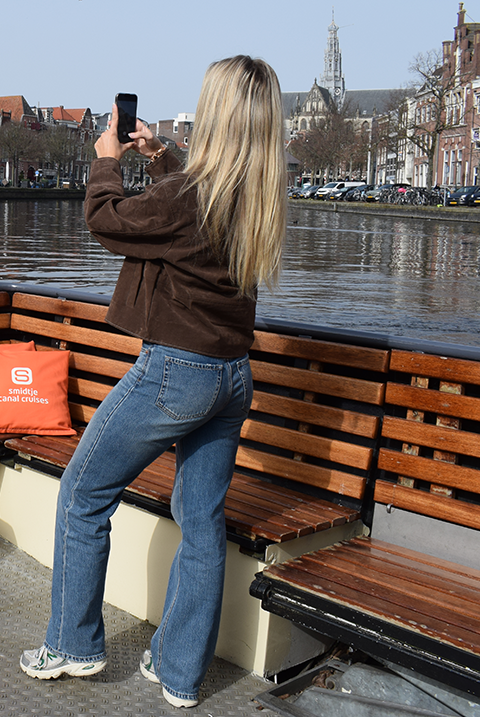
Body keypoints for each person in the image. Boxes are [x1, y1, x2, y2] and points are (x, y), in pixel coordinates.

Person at [19, 56, 288, 709]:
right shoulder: (257, 194)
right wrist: (163, 154)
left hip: (176, 372)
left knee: (83, 492)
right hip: (231, 377)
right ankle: (179, 672)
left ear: (217, 113)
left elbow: (109, 221)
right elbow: (189, 211)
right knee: (202, 526)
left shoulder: (188, 196)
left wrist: (107, 158)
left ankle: (74, 646)